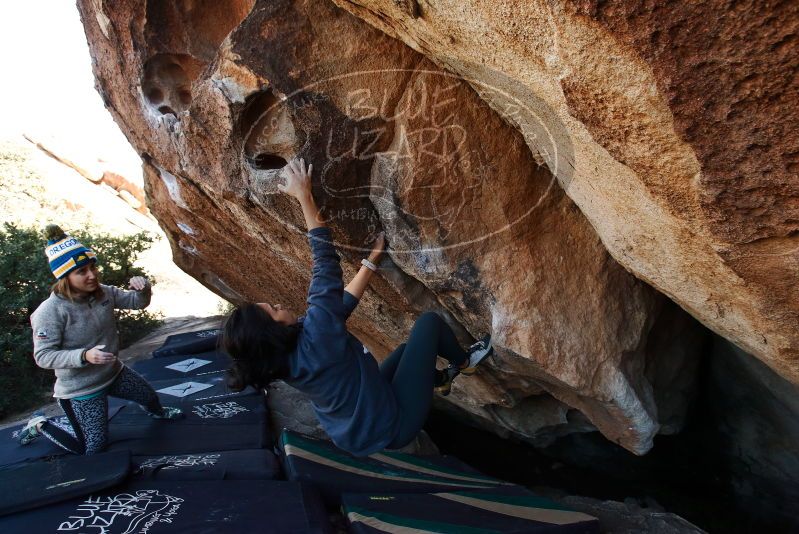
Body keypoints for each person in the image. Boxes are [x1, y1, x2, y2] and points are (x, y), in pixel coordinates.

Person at [223, 158, 493, 456]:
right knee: (429, 324)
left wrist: (371, 261)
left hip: (362, 429)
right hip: (393, 427)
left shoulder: (284, 358)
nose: (280, 304)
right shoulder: (315, 339)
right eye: (274, 309)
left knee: (406, 352)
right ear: (274, 330)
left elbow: (339, 309)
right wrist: (304, 196)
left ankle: (439, 381)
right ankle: (466, 363)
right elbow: (324, 263)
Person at [16, 225, 183, 454]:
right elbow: (43, 356)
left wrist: (143, 289)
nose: (92, 275)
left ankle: (158, 412)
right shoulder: (50, 312)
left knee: (149, 397)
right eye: (82, 271)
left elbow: (136, 302)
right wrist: (84, 356)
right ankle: (41, 424)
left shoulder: (102, 292)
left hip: (113, 372)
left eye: (92, 267)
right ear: (65, 276)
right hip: (81, 388)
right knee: (94, 447)